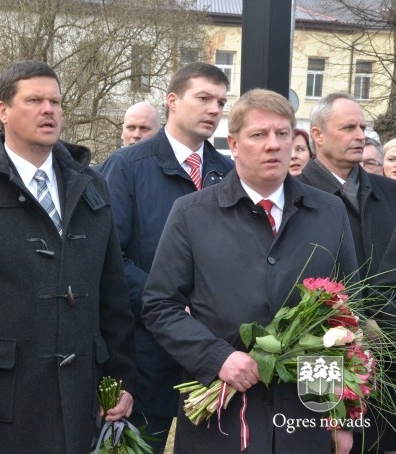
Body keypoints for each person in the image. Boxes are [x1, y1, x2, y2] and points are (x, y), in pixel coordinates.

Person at [0, 60, 136, 453]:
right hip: (1, 401)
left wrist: (121, 378)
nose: (49, 110)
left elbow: (113, 292)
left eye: (55, 101)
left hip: (82, 397)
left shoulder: (91, 185)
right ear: (2, 110)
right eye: (35, 100)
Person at [142, 89, 358, 453]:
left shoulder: (329, 212)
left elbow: (346, 316)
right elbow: (159, 305)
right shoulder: (192, 214)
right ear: (234, 143)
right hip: (223, 419)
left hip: (304, 418)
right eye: (259, 135)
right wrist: (216, 357)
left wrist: (338, 414)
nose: (273, 145)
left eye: (283, 133)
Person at [97, 62, 233, 452]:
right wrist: (171, 308)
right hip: (144, 354)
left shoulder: (227, 174)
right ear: (173, 101)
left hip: (211, 356)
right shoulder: (126, 167)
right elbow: (110, 258)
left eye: (221, 102)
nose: (214, 110)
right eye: (203, 98)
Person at [298, 93, 396, 282]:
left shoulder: (391, 192)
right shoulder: (291, 196)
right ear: (318, 135)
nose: (360, 136)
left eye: (362, 128)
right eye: (349, 128)